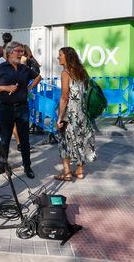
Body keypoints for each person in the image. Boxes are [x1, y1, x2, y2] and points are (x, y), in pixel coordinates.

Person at [0, 41, 42, 179]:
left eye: (22, 51)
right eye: (18, 51)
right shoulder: (0, 68)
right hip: (6, 108)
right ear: (10, 52)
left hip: (22, 108)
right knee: (4, 139)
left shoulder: (24, 69)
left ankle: (27, 166)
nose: (21, 54)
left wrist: (29, 88)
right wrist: (6, 88)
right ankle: (2, 165)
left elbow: (38, 77)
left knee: (24, 140)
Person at [54, 47, 97, 181]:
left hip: (70, 115)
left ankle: (67, 173)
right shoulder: (82, 71)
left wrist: (60, 117)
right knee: (80, 141)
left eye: (60, 55)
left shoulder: (65, 73)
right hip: (83, 114)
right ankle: (79, 172)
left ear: (67, 56)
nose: (58, 57)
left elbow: (64, 97)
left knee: (63, 142)